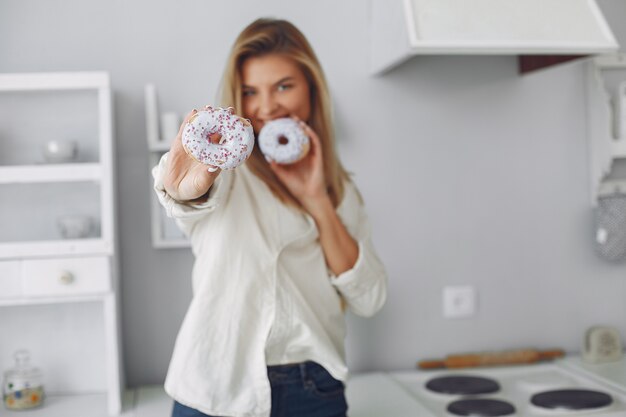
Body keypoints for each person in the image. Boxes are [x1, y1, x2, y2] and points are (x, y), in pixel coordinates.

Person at [153, 18, 388, 417]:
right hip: (215, 385)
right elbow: (188, 202)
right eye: (250, 91)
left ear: (312, 90)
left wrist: (316, 200)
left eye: (284, 86)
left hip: (312, 388)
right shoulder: (225, 174)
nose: (266, 107)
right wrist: (181, 191)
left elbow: (369, 299)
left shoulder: (341, 191)